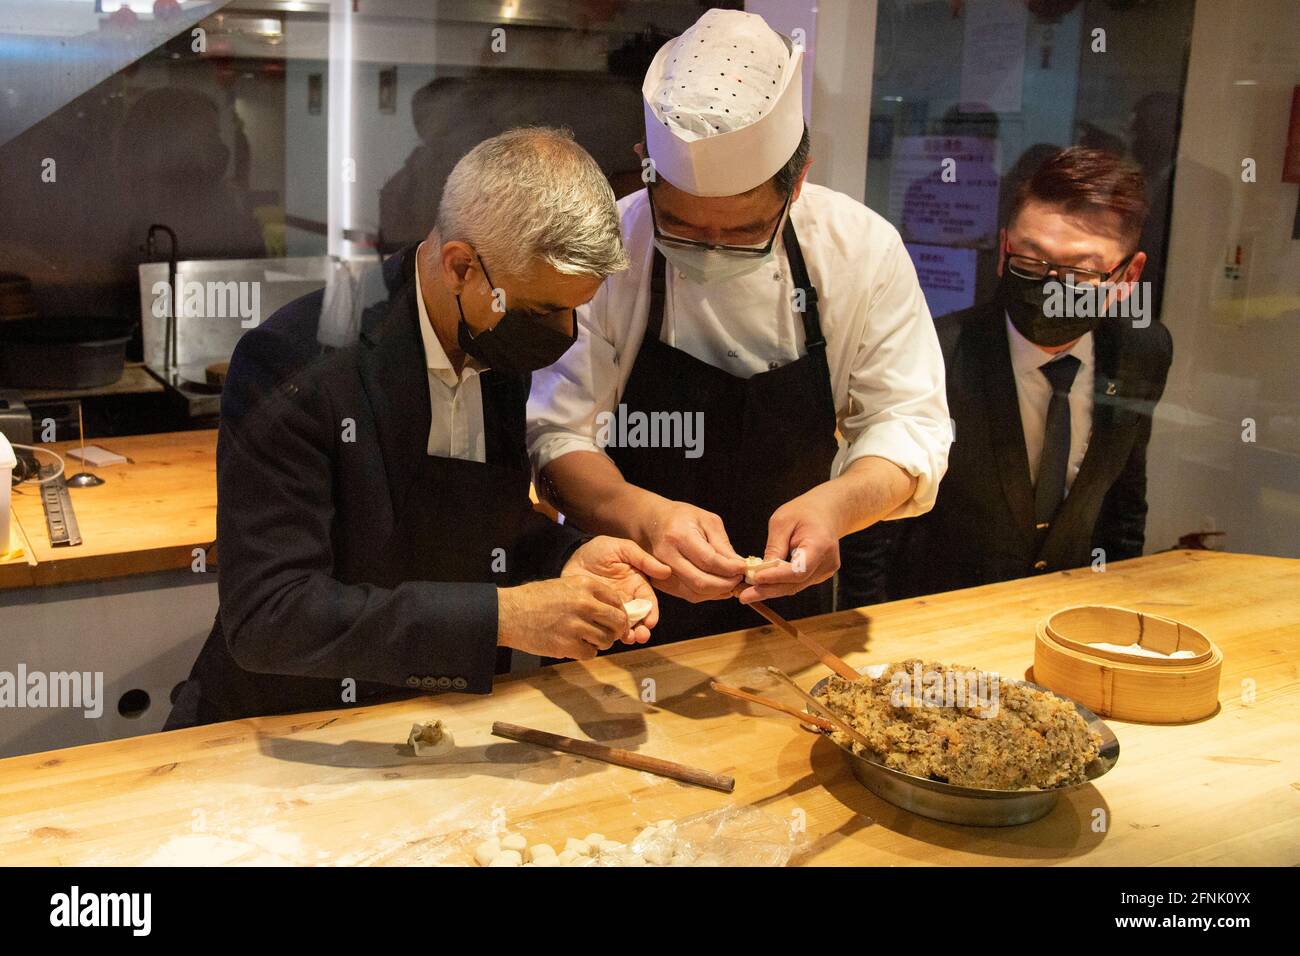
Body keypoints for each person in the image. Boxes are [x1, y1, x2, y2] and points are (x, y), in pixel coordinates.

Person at [166, 128, 669, 729]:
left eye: (574, 310)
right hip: (288, 728)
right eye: (541, 311)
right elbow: (270, 616)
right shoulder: (298, 364)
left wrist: (569, 559)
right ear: (461, 267)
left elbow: (474, 521)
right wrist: (505, 618)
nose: (561, 332)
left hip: (437, 721)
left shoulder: (495, 342)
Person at [526, 8, 951, 645]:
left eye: (745, 230)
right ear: (647, 167)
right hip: (627, 607)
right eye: (684, 226)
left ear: (797, 181)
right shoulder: (610, 244)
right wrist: (644, 516)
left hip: (798, 614)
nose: (712, 249)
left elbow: (907, 423)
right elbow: (559, 435)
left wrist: (835, 509)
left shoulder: (861, 249)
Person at [842, 147, 1172, 603]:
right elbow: (873, 527)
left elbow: (1124, 498)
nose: (1050, 284)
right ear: (1004, 250)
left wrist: (1115, 605)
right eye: (1031, 261)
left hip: (1066, 614)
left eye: (1079, 272)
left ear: (1128, 276)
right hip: (936, 619)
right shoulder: (935, 350)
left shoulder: (1142, 349)